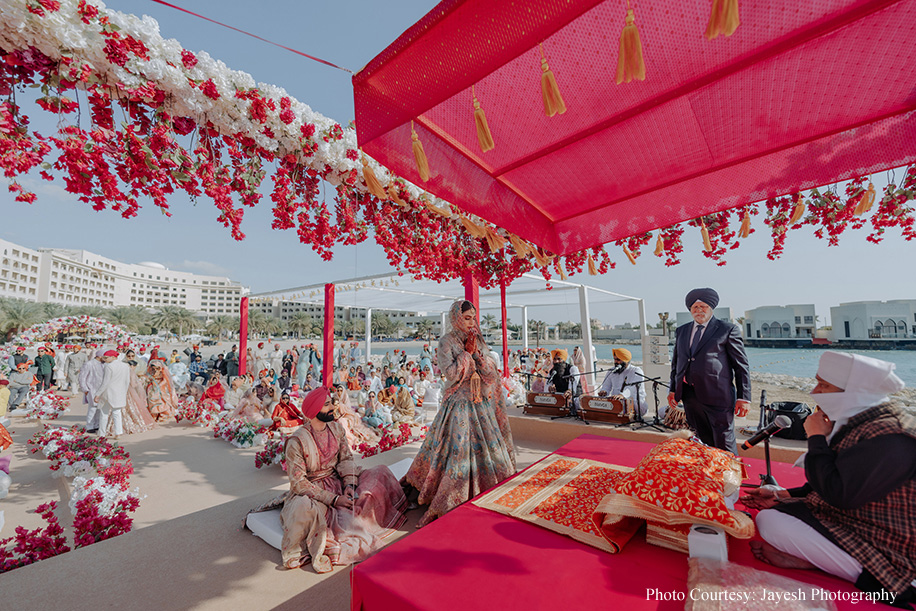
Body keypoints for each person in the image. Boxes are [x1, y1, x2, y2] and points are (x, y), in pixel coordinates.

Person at [742, 352, 916, 605]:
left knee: (771, 522)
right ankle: (818, 557)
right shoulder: (862, 419)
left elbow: (838, 494)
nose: (815, 392)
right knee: (773, 512)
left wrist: (816, 438)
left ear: (853, 391)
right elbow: (837, 481)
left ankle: (852, 571)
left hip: (896, 548)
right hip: (860, 518)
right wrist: (782, 495)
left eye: (824, 385)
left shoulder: (890, 434)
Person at [262, 386, 407, 572]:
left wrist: (350, 484)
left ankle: (360, 510)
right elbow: (299, 482)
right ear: (315, 410)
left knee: (380, 472)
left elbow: (346, 459)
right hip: (314, 490)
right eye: (328, 404)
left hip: (338, 479)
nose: (333, 407)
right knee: (304, 509)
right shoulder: (296, 441)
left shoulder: (337, 428)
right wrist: (335, 499)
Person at [403, 300, 516, 527]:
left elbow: (492, 374)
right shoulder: (446, 342)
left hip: (481, 404)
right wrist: (467, 353)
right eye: (467, 318)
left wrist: (481, 358)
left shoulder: (479, 339)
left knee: (490, 451)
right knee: (455, 450)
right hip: (458, 406)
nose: (471, 322)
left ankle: (486, 489)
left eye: (473, 317)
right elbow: (451, 374)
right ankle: (449, 496)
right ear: (456, 317)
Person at [667, 287, 750, 454]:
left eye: (703, 306)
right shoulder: (682, 331)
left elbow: (741, 365)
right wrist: (673, 389)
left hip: (719, 396)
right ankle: (706, 475)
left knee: (723, 440)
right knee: (700, 439)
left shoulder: (727, 329)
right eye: (694, 307)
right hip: (690, 397)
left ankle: (730, 477)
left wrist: (744, 397)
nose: (698, 311)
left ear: (711, 308)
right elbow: (677, 363)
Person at [597, 348, 648, 418]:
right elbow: (606, 386)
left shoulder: (636, 371)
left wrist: (623, 395)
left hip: (635, 404)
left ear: (626, 360)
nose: (615, 362)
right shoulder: (611, 371)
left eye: (618, 360)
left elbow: (632, 388)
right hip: (616, 403)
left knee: (640, 404)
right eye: (614, 359)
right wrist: (604, 391)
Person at [95, 350, 130, 437]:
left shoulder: (109, 366)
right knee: (117, 413)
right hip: (120, 391)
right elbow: (127, 381)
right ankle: (118, 432)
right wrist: (124, 391)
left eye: (106, 358)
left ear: (113, 357)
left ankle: (102, 433)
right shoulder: (125, 366)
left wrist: (98, 394)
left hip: (108, 392)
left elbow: (105, 382)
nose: (105, 359)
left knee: (104, 413)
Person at [122, 359, 156, 434]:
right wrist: (140, 382)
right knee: (133, 408)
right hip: (131, 393)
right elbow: (133, 385)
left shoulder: (123, 371)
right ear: (132, 366)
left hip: (123, 392)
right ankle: (132, 423)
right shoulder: (131, 372)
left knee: (124, 409)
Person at [546, 349, 582, 415]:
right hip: (559, 400)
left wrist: (570, 391)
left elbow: (574, 382)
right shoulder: (552, 371)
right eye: (554, 359)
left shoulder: (572, 369)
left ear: (564, 360)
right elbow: (547, 385)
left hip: (574, 398)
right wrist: (549, 388)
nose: (556, 361)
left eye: (559, 359)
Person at [80, 350, 106, 432]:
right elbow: (82, 377)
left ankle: (97, 425)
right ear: (99, 356)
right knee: (92, 409)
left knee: (99, 408)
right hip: (91, 389)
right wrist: (85, 389)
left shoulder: (104, 364)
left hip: (102, 390)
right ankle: (89, 426)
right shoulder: (89, 364)